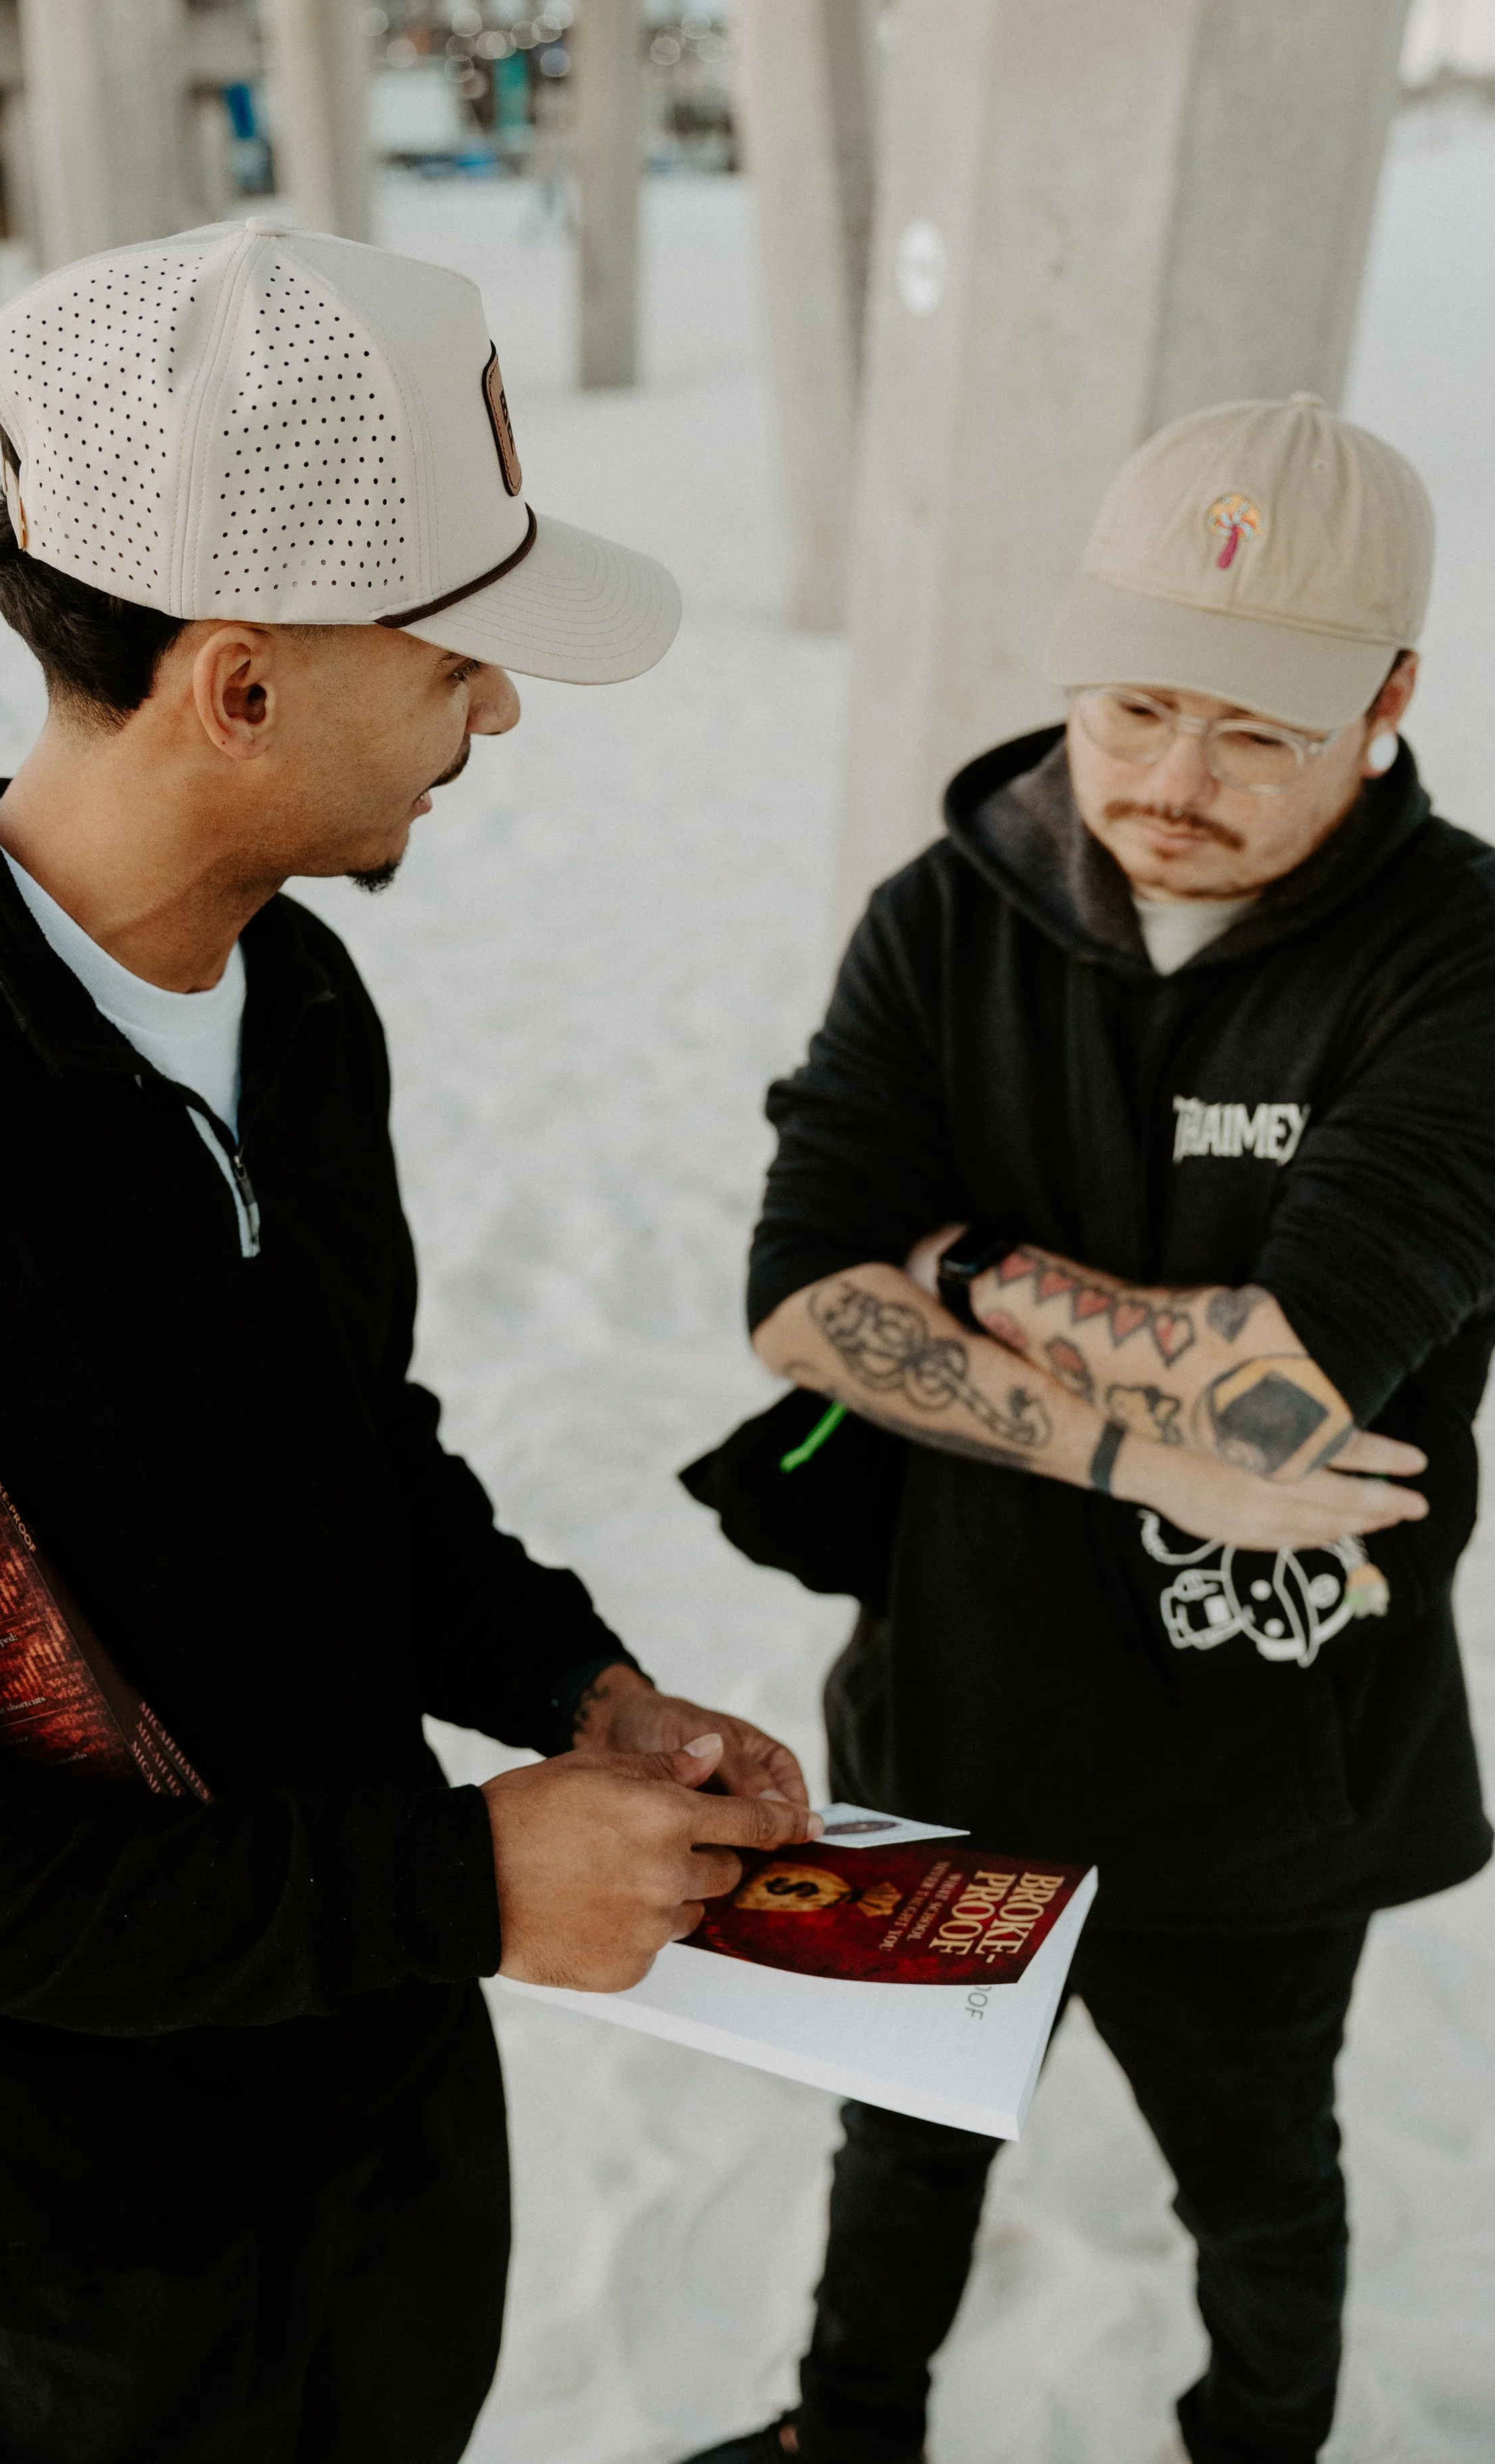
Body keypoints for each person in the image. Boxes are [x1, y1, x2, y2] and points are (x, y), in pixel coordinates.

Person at [0, 217, 822, 2464]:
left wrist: (579, 1687)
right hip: (61, 2222)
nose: (499, 707)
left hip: (379, 2100)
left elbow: (351, 1443)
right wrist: (465, 1877)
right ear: (239, 684)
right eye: (454, 653)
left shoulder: (306, 993)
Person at [686, 395, 1495, 2464]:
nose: (1171, 785)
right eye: (1133, 709)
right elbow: (795, 1292)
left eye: (1255, 733)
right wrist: (1144, 1448)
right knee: (901, 2135)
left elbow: (1292, 1369)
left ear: (1388, 701)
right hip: (951, 1692)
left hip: (1270, 1739)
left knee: (1254, 2175)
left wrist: (964, 1270)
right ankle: (841, 2432)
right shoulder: (939, 915)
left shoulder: (1461, 958)